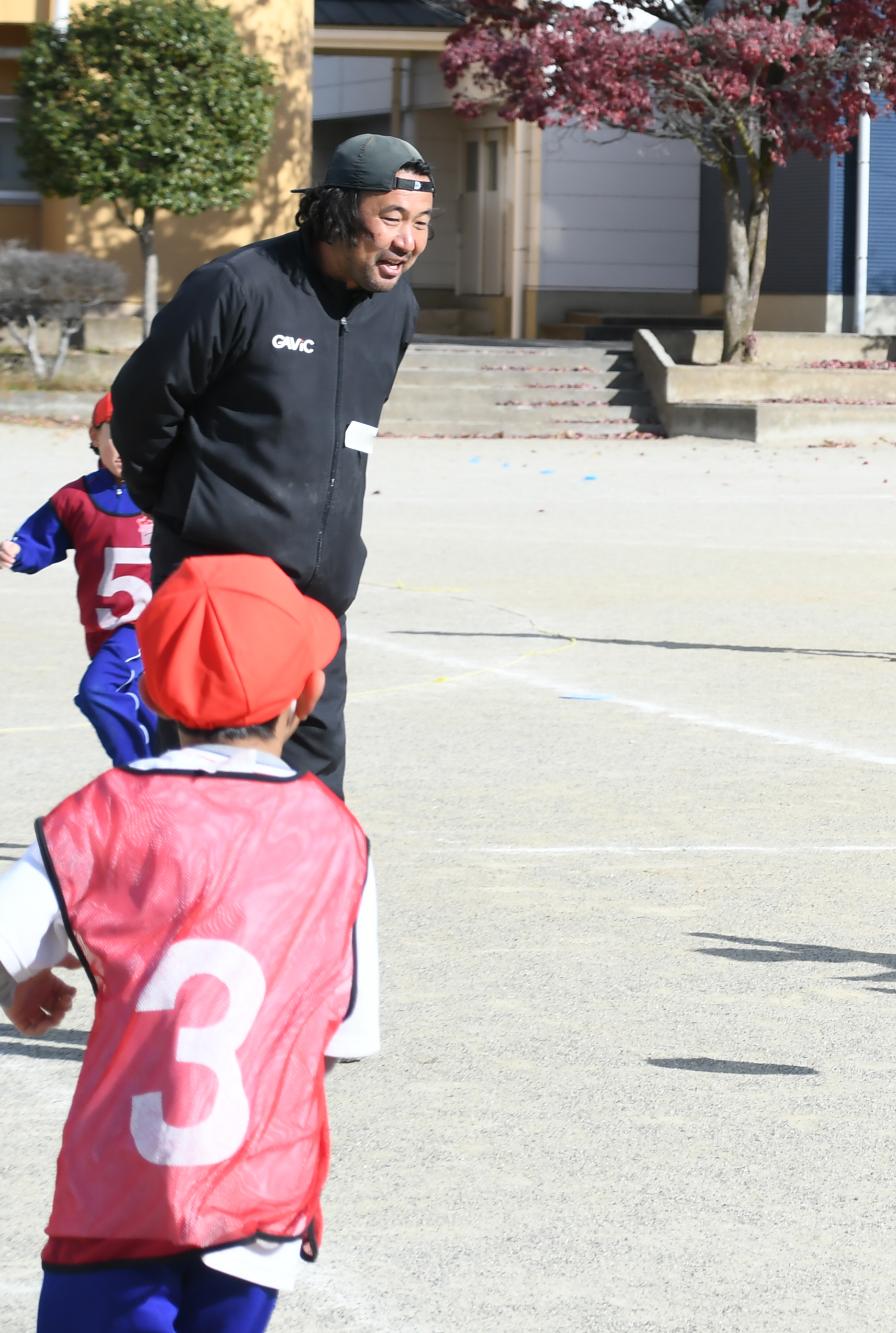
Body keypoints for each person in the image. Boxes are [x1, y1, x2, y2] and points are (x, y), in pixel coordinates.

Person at [0, 553, 380, 1333]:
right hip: (257, 1193)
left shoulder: (98, 810)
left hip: (115, 1198)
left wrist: (18, 986)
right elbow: (340, 1038)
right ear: (305, 695)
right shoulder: (337, 838)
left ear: (151, 690)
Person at [111, 133, 433, 798]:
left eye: (422, 222)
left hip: (319, 597)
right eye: (392, 217)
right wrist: (182, 510)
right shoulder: (236, 287)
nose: (408, 241)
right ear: (340, 213)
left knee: (314, 794)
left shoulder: (395, 308)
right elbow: (142, 408)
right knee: (207, 789)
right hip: (221, 584)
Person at [1, 392, 158, 766]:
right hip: (104, 632)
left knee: (100, 691)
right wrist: (18, 552)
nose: (127, 445)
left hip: (149, 626)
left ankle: (142, 777)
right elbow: (40, 540)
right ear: (94, 436)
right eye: (116, 434)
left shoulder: (169, 492)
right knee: (151, 712)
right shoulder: (76, 498)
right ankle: (172, 787)